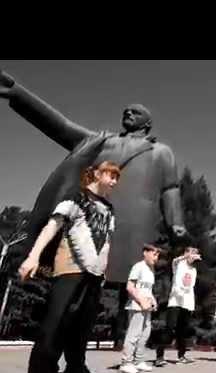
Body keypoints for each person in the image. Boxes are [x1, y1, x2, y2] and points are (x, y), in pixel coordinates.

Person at [0, 70, 188, 350]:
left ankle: (121, 347)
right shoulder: (103, 141)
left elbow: (171, 189)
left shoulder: (161, 152)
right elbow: (61, 126)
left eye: (135, 113)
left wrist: (176, 223)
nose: (128, 114)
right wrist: (18, 93)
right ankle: (61, 357)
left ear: (147, 123)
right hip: (95, 223)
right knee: (81, 290)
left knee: (127, 284)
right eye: (126, 111)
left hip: (136, 224)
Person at [18, 161, 121, 373]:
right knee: (58, 319)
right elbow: (52, 226)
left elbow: (106, 240)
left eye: (117, 177)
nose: (114, 181)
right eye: (110, 175)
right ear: (96, 173)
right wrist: (33, 256)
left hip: (94, 272)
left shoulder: (109, 208)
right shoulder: (76, 197)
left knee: (82, 324)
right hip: (70, 267)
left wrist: (104, 269)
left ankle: (76, 370)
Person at [155, 247, 201, 366]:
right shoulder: (179, 264)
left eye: (196, 254)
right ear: (186, 254)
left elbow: (191, 287)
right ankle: (159, 356)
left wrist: (192, 305)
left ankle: (181, 356)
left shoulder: (193, 270)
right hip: (175, 301)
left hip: (187, 303)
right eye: (192, 254)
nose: (194, 257)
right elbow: (174, 261)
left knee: (183, 330)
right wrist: (186, 256)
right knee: (169, 328)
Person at [120, 244, 161, 373]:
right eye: (154, 254)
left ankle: (139, 361)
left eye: (158, 255)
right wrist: (141, 301)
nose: (156, 257)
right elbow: (130, 287)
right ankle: (126, 363)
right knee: (134, 334)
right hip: (136, 306)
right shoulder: (138, 267)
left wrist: (153, 301)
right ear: (145, 253)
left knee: (145, 334)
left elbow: (148, 290)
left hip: (147, 308)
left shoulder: (151, 270)